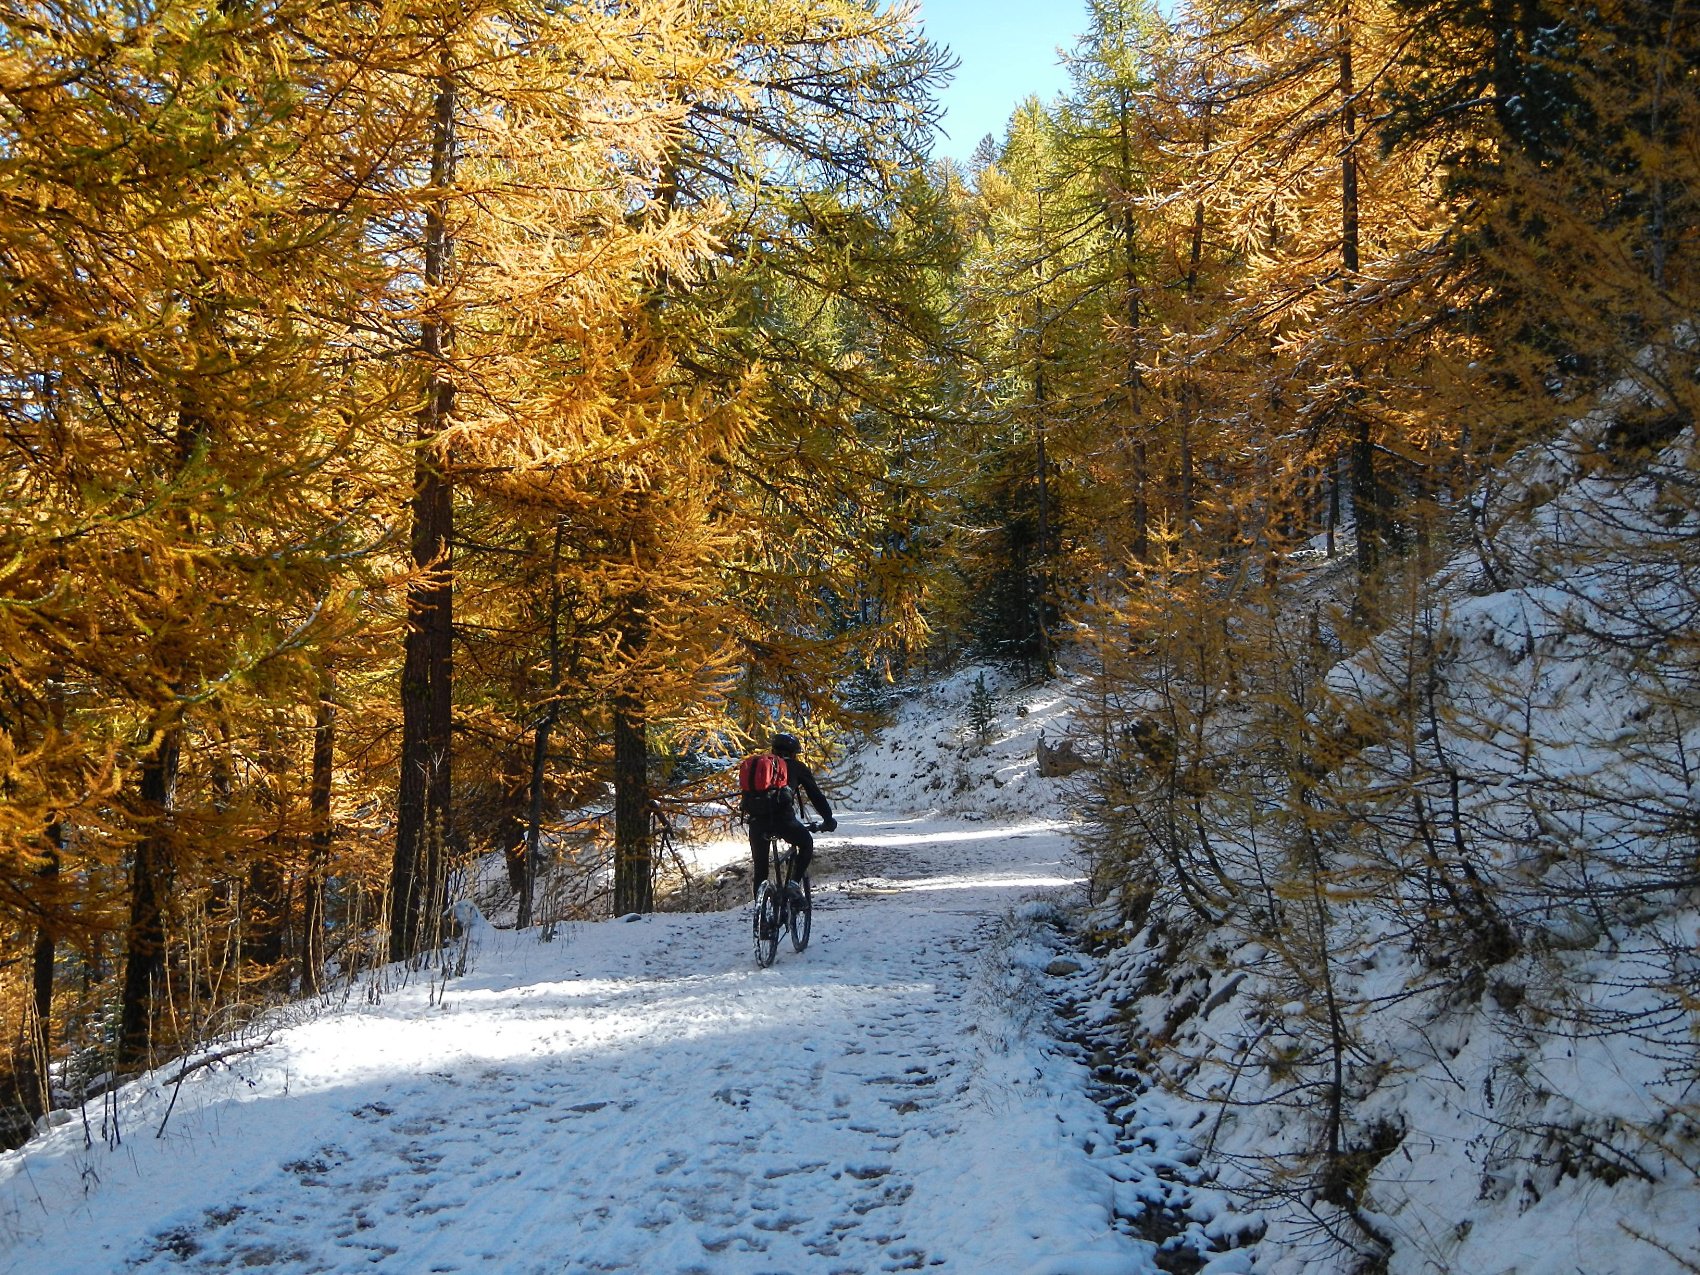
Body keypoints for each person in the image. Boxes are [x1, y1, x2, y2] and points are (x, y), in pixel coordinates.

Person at [747, 732, 836, 903]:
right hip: (784, 822)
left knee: (761, 869)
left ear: (772, 749)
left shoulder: (759, 766)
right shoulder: (797, 767)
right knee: (806, 843)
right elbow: (815, 796)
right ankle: (793, 884)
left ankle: (762, 914)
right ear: (794, 753)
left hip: (757, 823)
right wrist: (828, 819)